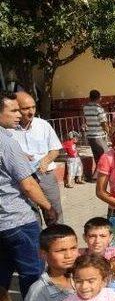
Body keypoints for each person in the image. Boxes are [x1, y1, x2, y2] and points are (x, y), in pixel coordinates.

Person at [0, 92, 57, 297]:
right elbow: (28, 185)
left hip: (3, 223)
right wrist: (48, 207)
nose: (19, 115)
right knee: (32, 272)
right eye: (13, 110)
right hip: (17, 220)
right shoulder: (6, 142)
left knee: (3, 271)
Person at [11, 91, 64, 223]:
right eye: (25, 108)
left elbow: (55, 149)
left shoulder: (43, 125)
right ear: (16, 108)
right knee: (31, 216)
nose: (31, 112)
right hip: (22, 178)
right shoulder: (7, 129)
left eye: (33, 107)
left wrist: (45, 161)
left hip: (45, 175)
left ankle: (59, 242)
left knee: (54, 213)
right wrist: (19, 155)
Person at [82, 89, 110, 180]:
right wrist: (109, 133)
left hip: (90, 135)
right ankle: (98, 175)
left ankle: (97, 176)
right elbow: (103, 123)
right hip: (98, 135)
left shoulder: (85, 108)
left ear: (89, 97)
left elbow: (86, 120)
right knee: (106, 155)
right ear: (99, 98)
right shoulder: (99, 109)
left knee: (97, 156)